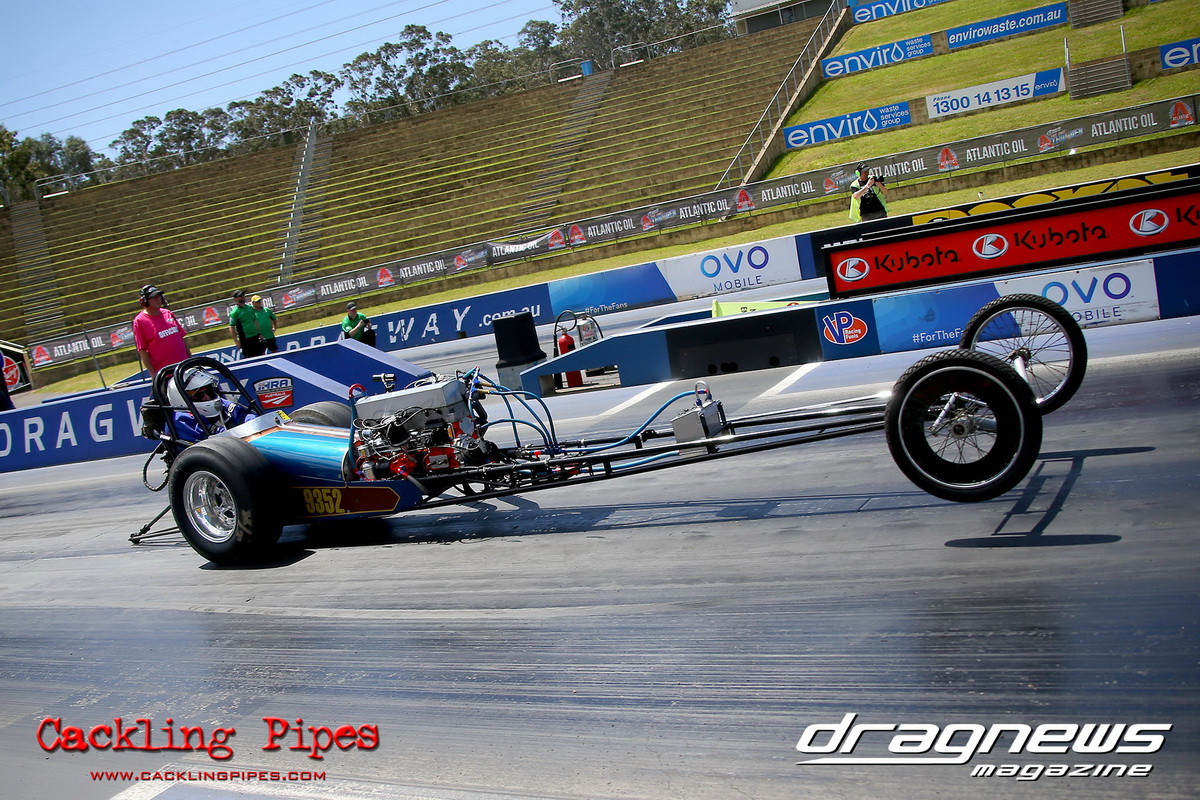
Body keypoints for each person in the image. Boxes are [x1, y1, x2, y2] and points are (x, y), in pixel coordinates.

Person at [167, 366, 257, 443]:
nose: (207, 397)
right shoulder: (181, 420)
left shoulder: (221, 403)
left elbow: (244, 417)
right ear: (181, 399)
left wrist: (255, 425)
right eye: (199, 395)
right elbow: (216, 438)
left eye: (209, 391)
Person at [132, 284, 191, 378]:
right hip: (165, 373)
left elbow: (181, 338)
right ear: (145, 301)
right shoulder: (140, 321)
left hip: (185, 368)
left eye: (158, 296)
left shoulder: (167, 313)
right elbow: (142, 351)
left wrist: (190, 360)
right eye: (153, 298)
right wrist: (154, 376)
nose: (158, 299)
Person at [228, 289, 265, 358]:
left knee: (261, 355)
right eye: (240, 296)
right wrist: (236, 341)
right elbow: (231, 327)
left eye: (243, 295)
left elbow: (255, 321)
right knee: (250, 357)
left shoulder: (250, 308)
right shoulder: (235, 312)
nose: (242, 297)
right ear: (235, 299)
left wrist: (259, 333)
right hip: (245, 339)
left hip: (255, 336)